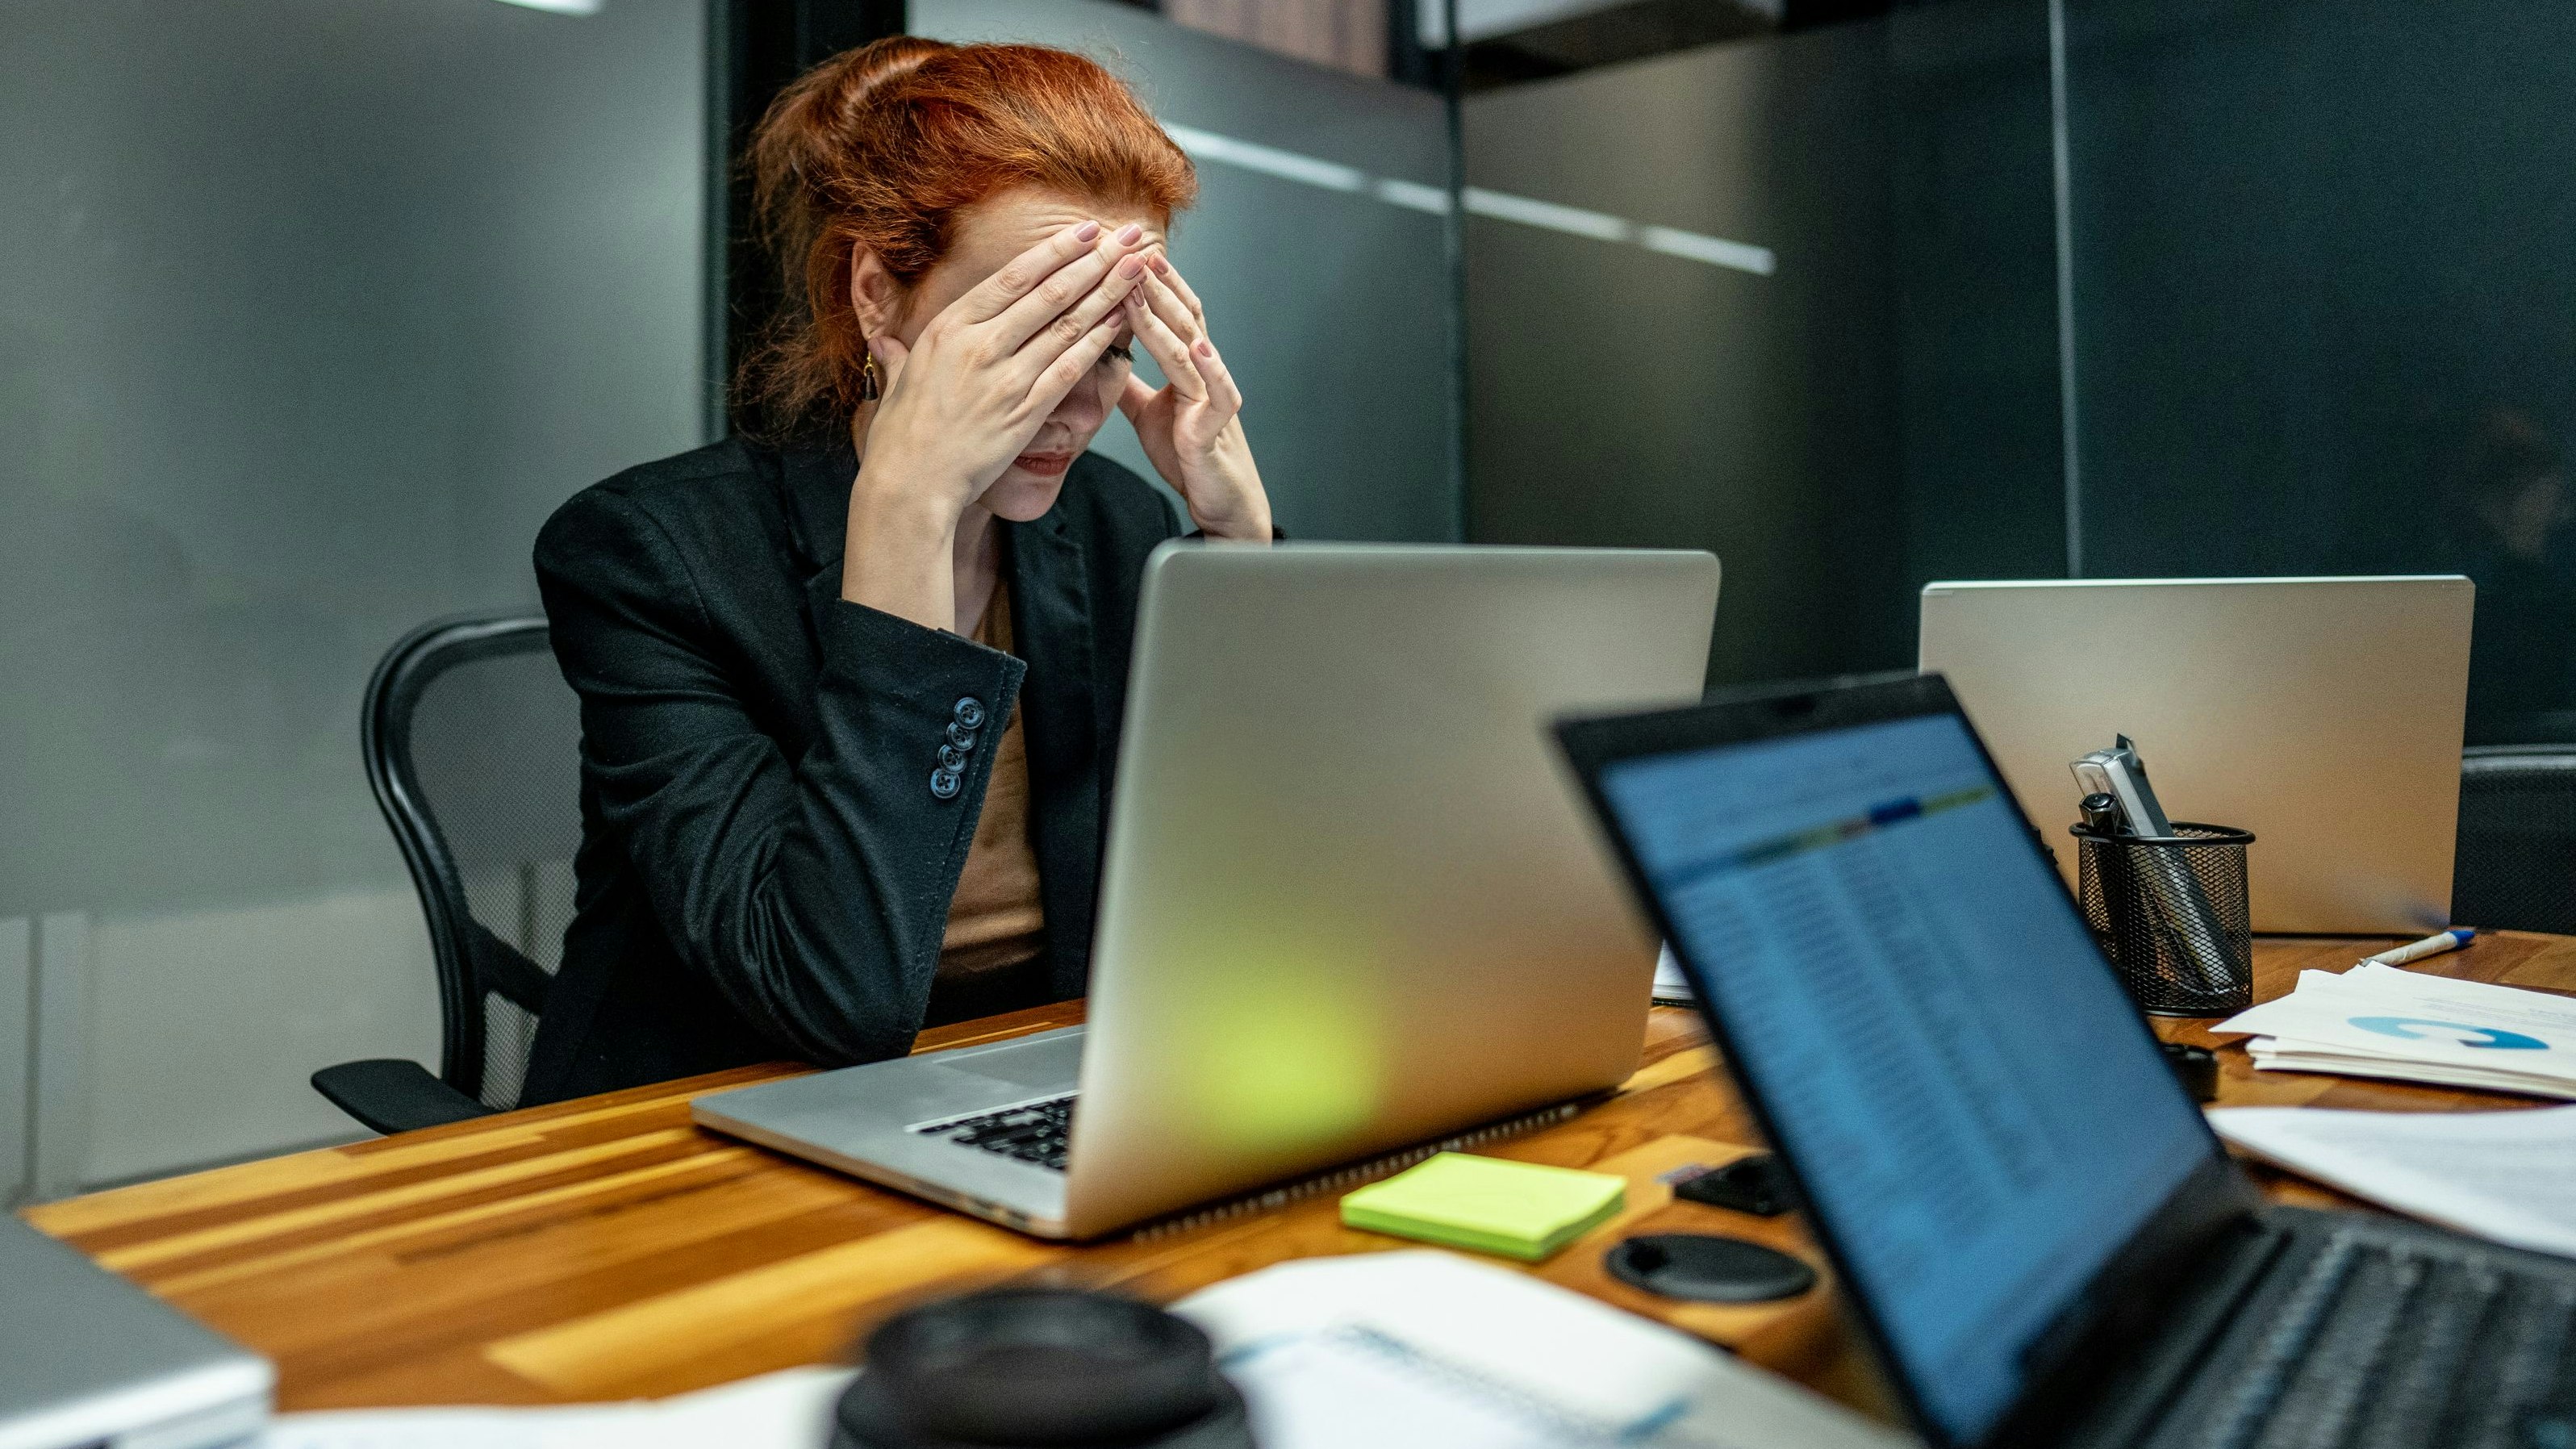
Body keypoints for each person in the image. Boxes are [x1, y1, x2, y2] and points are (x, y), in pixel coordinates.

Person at [520, 37, 1274, 1104]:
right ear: (880, 298)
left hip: (1033, 1082)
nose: (1075, 404)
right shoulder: (653, 555)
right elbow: (837, 999)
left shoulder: (1117, 523)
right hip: (714, 1123)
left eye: (1111, 347)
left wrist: (1240, 545)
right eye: (1033, 336)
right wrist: (910, 519)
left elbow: (1269, 911)